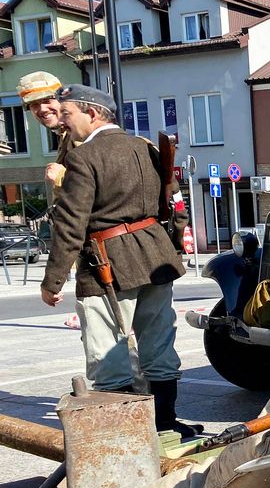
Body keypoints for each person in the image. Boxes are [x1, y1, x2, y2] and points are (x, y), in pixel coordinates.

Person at [40, 85, 194, 435]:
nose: (63, 124)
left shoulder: (83, 157)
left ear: (92, 114)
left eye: (67, 115)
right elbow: (176, 204)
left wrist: (53, 281)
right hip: (156, 258)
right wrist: (172, 246)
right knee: (159, 346)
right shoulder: (149, 148)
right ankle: (166, 425)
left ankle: (125, 435)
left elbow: (70, 224)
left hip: (107, 263)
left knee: (107, 355)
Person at [17, 71, 73, 193]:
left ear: (62, 100)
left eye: (47, 100)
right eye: (34, 104)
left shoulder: (81, 132)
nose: (42, 109)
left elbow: (102, 183)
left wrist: (61, 177)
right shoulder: (65, 134)